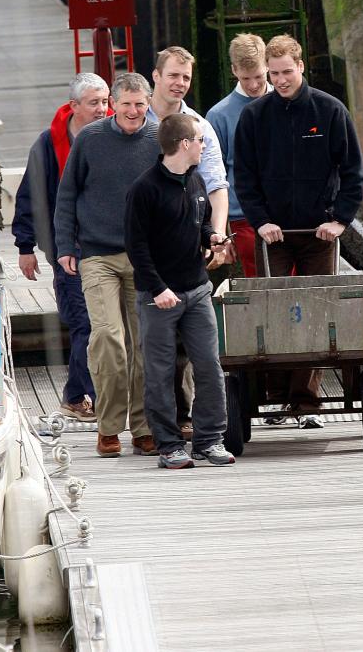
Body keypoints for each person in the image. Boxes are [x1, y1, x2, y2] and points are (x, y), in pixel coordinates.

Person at [234, 34, 363, 428]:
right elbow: (245, 177)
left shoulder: (330, 110)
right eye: (273, 74)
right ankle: (274, 395)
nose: (280, 80)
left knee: (316, 310)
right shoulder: (254, 117)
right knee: (272, 311)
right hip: (275, 232)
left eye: (286, 72)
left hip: (318, 231)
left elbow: (352, 171)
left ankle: (305, 401)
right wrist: (261, 222)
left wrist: (339, 220)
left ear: (301, 66)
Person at [54, 72, 160, 458]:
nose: (133, 111)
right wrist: (66, 245)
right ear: (113, 103)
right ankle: (110, 427)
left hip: (144, 256)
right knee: (108, 340)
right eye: (126, 103)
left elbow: (176, 193)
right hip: (97, 255)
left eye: (140, 103)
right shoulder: (91, 139)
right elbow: (67, 196)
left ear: (148, 102)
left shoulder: (158, 138)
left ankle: (144, 426)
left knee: (145, 345)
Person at [124, 113, 234, 469]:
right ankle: (168, 445)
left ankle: (209, 440)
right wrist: (158, 289)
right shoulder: (144, 189)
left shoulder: (195, 180)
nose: (204, 145)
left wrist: (211, 237)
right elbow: (136, 247)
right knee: (159, 371)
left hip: (197, 289)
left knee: (209, 365)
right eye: (200, 139)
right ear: (184, 144)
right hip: (158, 297)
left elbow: (200, 223)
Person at [12, 72, 110, 421]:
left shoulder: (113, 135)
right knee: (84, 323)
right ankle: (99, 398)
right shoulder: (47, 143)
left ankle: (72, 395)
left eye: (105, 101)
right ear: (74, 106)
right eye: (94, 103)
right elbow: (29, 196)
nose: (103, 109)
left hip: (107, 244)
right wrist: (25, 246)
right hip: (66, 247)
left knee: (102, 324)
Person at [148, 45, 231, 438]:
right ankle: (153, 430)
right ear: (156, 76)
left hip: (189, 247)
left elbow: (214, 184)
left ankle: (198, 425)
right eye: (173, 75)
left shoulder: (200, 126)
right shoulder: (135, 118)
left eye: (186, 77)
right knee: (154, 351)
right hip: (146, 247)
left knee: (198, 347)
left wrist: (215, 236)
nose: (180, 84)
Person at [206, 33, 273, 277]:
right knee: (258, 289)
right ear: (234, 70)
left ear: (267, 65)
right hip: (242, 219)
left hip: (288, 215)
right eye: (246, 79)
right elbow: (214, 175)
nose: (254, 85)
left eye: (258, 76)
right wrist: (222, 230)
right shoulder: (218, 116)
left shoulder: (288, 102)